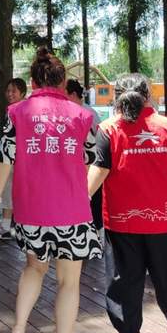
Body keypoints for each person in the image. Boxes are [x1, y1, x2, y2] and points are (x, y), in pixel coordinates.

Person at [0, 47, 102, 333]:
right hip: (72, 211)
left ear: (32, 82)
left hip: (31, 210)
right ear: (63, 82)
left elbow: (5, 156)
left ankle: (19, 328)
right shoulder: (83, 116)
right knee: (68, 282)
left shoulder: (18, 112)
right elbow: (91, 159)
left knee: (34, 267)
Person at [87, 73, 167, 333]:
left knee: (124, 278)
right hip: (165, 220)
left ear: (117, 98)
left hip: (122, 222)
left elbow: (97, 173)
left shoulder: (108, 129)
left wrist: (77, 200)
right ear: (149, 96)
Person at [0, 78, 27, 239]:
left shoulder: (23, 111)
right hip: (10, 158)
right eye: (8, 91)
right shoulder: (11, 110)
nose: (10, 94)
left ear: (22, 93)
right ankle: (6, 225)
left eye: (14, 91)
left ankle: (16, 225)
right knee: (7, 189)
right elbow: (8, 137)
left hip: (20, 160)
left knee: (16, 190)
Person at [66, 79, 103, 237]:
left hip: (91, 165)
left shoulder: (88, 114)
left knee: (93, 201)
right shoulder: (77, 112)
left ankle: (97, 235)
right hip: (78, 165)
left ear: (73, 94)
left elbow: (99, 140)